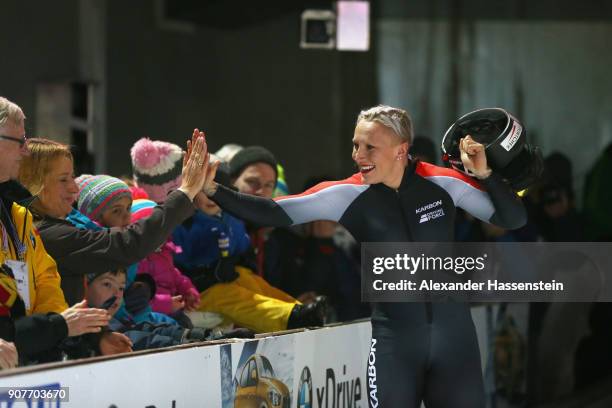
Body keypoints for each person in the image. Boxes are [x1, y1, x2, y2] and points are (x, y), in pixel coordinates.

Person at [201, 105, 527, 407]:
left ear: (401, 149)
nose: (358, 155)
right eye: (356, 145)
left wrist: (486, 177)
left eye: (370, 147)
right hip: (395, 345)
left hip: (455, 342)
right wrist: (213, 189)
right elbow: (271, 212)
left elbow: (513, 219)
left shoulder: (442, 182)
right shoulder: (348, 194)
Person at [0, 96, 125, 364]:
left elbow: (46, 282)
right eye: (19, 141)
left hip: (29, 359)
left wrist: (88, 335)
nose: (25, 150)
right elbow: (126, 245)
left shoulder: (17, 215)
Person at [17, 131, 208, 306]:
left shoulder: (49, 226)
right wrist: (185, 192)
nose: (74, 189)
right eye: (63, 179)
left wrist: (101, 339)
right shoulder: (46, 234)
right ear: (34, 182)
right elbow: (128, 243)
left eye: (72, 177)